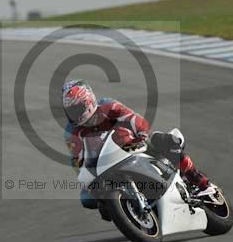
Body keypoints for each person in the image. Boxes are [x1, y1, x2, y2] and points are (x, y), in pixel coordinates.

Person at [62, 80, 211, 209]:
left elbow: (134, 119)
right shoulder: (72, 133)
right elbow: (78, 161)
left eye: (76, 109)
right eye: (70, 111)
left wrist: (142, 135)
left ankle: (201, 182)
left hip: (132, 145)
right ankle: (124, 210)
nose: (74, 115)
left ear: (88, 103)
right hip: (105, 166)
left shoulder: (107, 106)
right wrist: (87, 179)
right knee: (88, 198)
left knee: (163, 140)